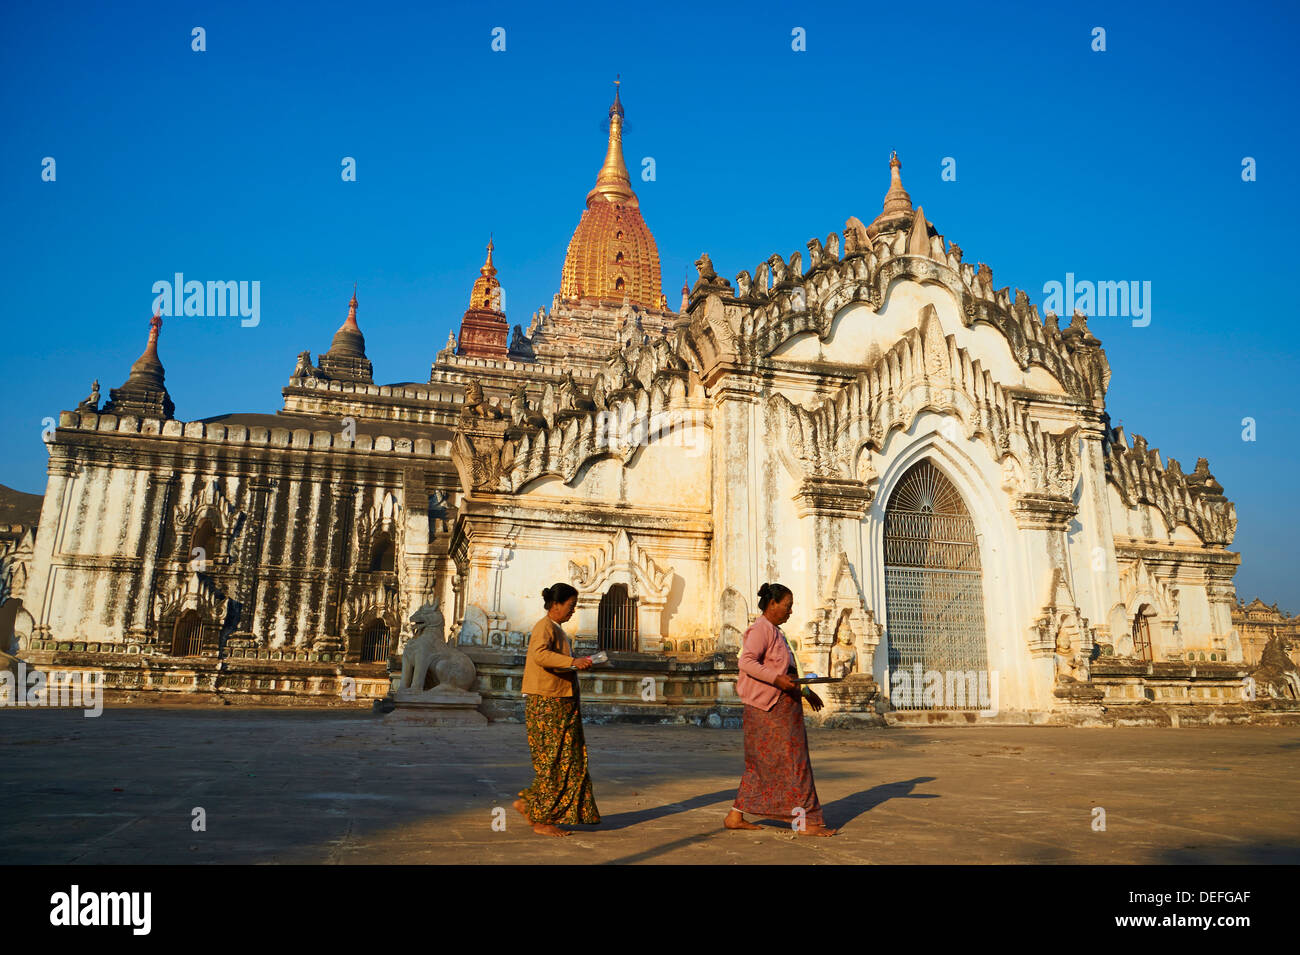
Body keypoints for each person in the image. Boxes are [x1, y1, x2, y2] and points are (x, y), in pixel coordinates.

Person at [724, 582, 837, 836]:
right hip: (768, 710)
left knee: (761, 764)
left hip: (781, 708)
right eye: (787, 606)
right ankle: (803, 822)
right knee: (793, 764)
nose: (790, 612)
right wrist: (776, 680)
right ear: (772, 604)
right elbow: (746, 662)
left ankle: (735, 815)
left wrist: (805, 691)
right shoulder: (760, 630)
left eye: (791, 607)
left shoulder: (777, 632)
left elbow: (788, 671)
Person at [512, 582, 601, 837]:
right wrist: (573, 661)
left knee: (566, 760)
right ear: (556, 604)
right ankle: (541, 820)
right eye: (571, 606)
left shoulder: (558, 630)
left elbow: (553, 659)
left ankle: (530, 804)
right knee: (552, 762)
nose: (573, 611)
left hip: (560, 700)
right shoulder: (544, 627)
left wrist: (578, 664)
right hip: (547, 703)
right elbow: (540, 655)